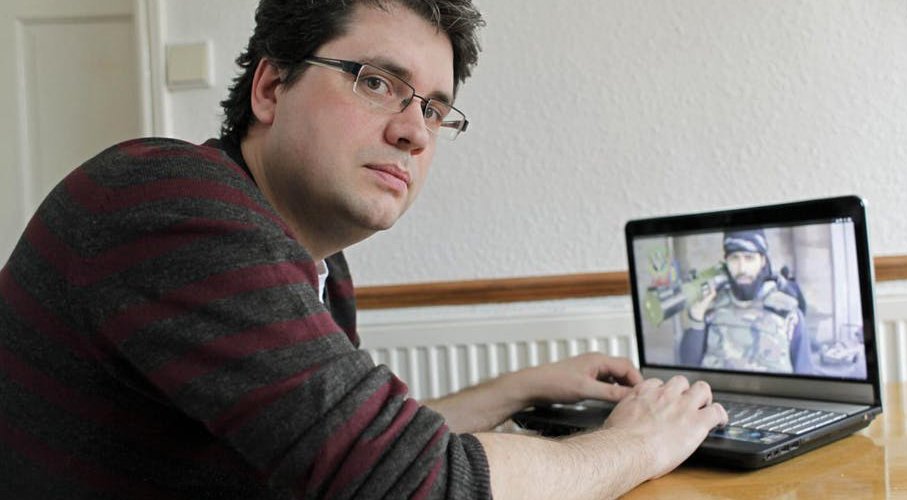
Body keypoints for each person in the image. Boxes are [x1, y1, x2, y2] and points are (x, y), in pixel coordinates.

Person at [0, 0, 727, 498]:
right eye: (378, 83)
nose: (414, 132)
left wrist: (524, 387)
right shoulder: (170, 203)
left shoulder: (315, 260)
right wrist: (641, 444)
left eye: (435, 109)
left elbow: (360, 448)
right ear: (270, 84)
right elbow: (414, 485)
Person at [679, 229, 814, 374]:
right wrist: (696, 317)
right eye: (734, 258)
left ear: (762, 261)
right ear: (726, 261)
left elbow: (805, 377)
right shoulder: (710, 305)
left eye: (749, 258)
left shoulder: (787, 312)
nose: (742, 268)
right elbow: (688, 366)